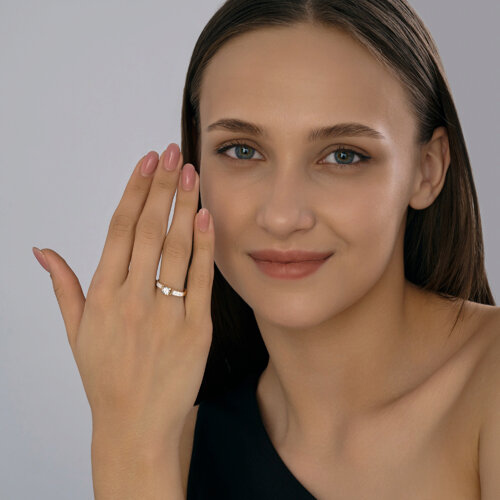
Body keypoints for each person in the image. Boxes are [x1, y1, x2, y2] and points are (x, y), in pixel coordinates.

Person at [32, 0, 500, 498]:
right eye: (242, 150)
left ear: (427, 170)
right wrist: (128, 444)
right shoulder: (168, 445)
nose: (281, 215)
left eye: (343, 156)